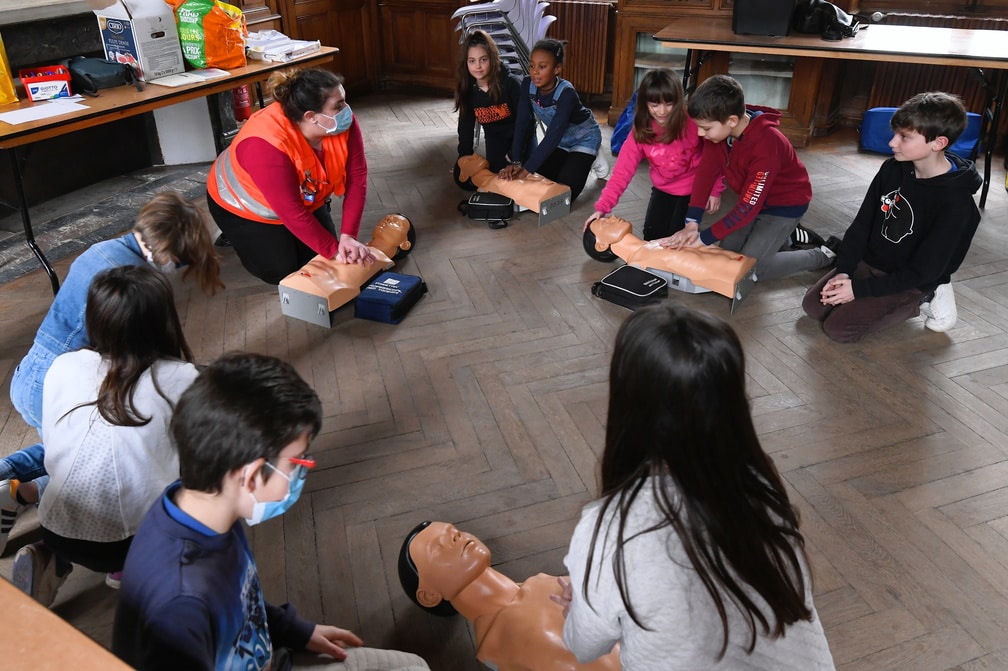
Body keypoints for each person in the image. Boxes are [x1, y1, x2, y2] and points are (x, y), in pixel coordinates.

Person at [112, 352, 429, 671]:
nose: (302, 473)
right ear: (250, 476)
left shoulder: (203, 505)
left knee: (414, 666)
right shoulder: (180, 604)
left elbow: (238, 602)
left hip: (270, 654)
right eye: (297, 463)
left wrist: (295, 630)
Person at [558, 305, 835, 669]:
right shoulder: (759, 487)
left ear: (628, 403)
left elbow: (583, 647)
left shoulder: (609, 527)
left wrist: (583, 602)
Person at [2, 191, 222, 555]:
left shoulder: (105, 249)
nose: (179, 268)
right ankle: (31, 515)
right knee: (84, 464)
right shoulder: (129, 278)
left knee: (67, 448)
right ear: (164, 247)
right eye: (181, 261)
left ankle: (5, 475)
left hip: (37, 370)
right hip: (53, 381)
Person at [11, 265, 199, 607]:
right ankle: (133, 569)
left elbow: (52, 444)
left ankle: (49, 556)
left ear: (95, 319)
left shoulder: (64, 365)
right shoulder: (183, 377)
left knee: (81, 461)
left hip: (54, 525)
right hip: (133, 542)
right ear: (165, 319)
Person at [802, 92, 981, 342]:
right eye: (895, 133)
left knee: (839, 329)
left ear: (938, 143)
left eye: (904, 137)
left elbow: (922, 271)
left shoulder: (956, 204)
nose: (892, 143)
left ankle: (927, 295)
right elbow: (862, 224)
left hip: (912, 278)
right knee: (813, 306)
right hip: (872, 262)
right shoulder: (893, 168)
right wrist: (844, 271)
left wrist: (858, 290)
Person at [206, 67, 377, 285]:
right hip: (241, 205)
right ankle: (235, 235)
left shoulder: (339, 123)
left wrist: (348, 237)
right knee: (283, 271)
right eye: (338, 105)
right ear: (311, 117)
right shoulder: (265, 146)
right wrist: (335, 251)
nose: (347, 110)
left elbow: (357, 178)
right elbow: (292, 212)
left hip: (304, 196)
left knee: (315, 259)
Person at [661, 74, 835, 282]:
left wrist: (703, 239)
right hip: (753, 200)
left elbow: (746, 209)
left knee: (749, 271)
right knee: (728, 254)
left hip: (784, 207)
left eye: (705, 128)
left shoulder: (767, 144)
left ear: (732, 121)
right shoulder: (719, 132)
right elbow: (705, 174)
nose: (700, 133)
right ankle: (785, 238)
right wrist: (692, 222)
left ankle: (822, 255)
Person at [399, 520, 619, 671]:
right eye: (438, 547)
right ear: (429, 596)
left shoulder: (545, 583)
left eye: (453, 531)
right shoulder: (499, 644)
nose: (456, 537)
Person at [584, 69, 723, 241]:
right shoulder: (641, 130)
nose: (662, 111)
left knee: (678, 238)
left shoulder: (693, 121)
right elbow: (622, 172)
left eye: (669, 103)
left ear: (678, 101)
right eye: (655, 105)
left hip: (694, 190)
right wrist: (602, 208)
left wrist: (715, 189)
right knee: (652, 237)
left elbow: (714, 155)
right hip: (663, 189)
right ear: (645, 103)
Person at [499, 38, 602, 204]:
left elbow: (552, 135)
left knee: (563, 195)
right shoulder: (527, 85)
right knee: (540, 182)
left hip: (584, 138)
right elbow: (522, 123)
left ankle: (592, 155)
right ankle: (577, 159)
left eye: (542, 67)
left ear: (557, 69)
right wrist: (516, 162)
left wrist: (526, 170)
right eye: (532, 65)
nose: (535, 72)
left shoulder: (567, 93)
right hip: (560, 141)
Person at [453, 30, 524, 189]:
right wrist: (464, 157)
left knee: (515, 177)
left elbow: (525, 123)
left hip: (520, 138)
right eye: (472, 61)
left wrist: (515, 156)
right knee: (461, 178)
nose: (477, 66)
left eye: (483, 59)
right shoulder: (468, 89)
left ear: (492, 58)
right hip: (495, 139)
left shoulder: (511, 83)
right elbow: (465, 126)